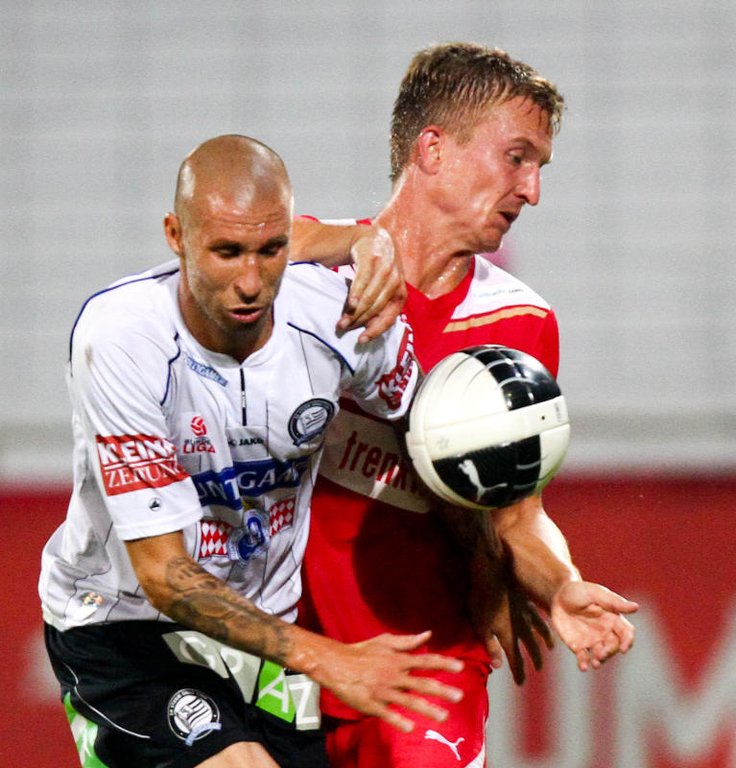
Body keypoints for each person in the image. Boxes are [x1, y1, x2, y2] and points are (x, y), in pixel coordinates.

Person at [38, 134, 469, 768]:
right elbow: (164, 575)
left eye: (271, 251)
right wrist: (330, 659)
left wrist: (525, 573)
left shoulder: (341, 318)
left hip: (262, 639)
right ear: (175, 236)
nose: (251, 282)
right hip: (125, 628)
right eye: (227, 252)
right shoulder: (122, 340)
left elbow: (437, 437)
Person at [293, 43, 639, 768]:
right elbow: (210, 256)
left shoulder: (521, 324)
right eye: (517, 158)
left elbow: (518, 516)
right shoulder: (311, 276)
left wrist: (562, 587)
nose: (531, 190)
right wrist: (345, 243)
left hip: (428, 672)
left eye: (539, 166)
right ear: (433, 149)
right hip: (285, 661)